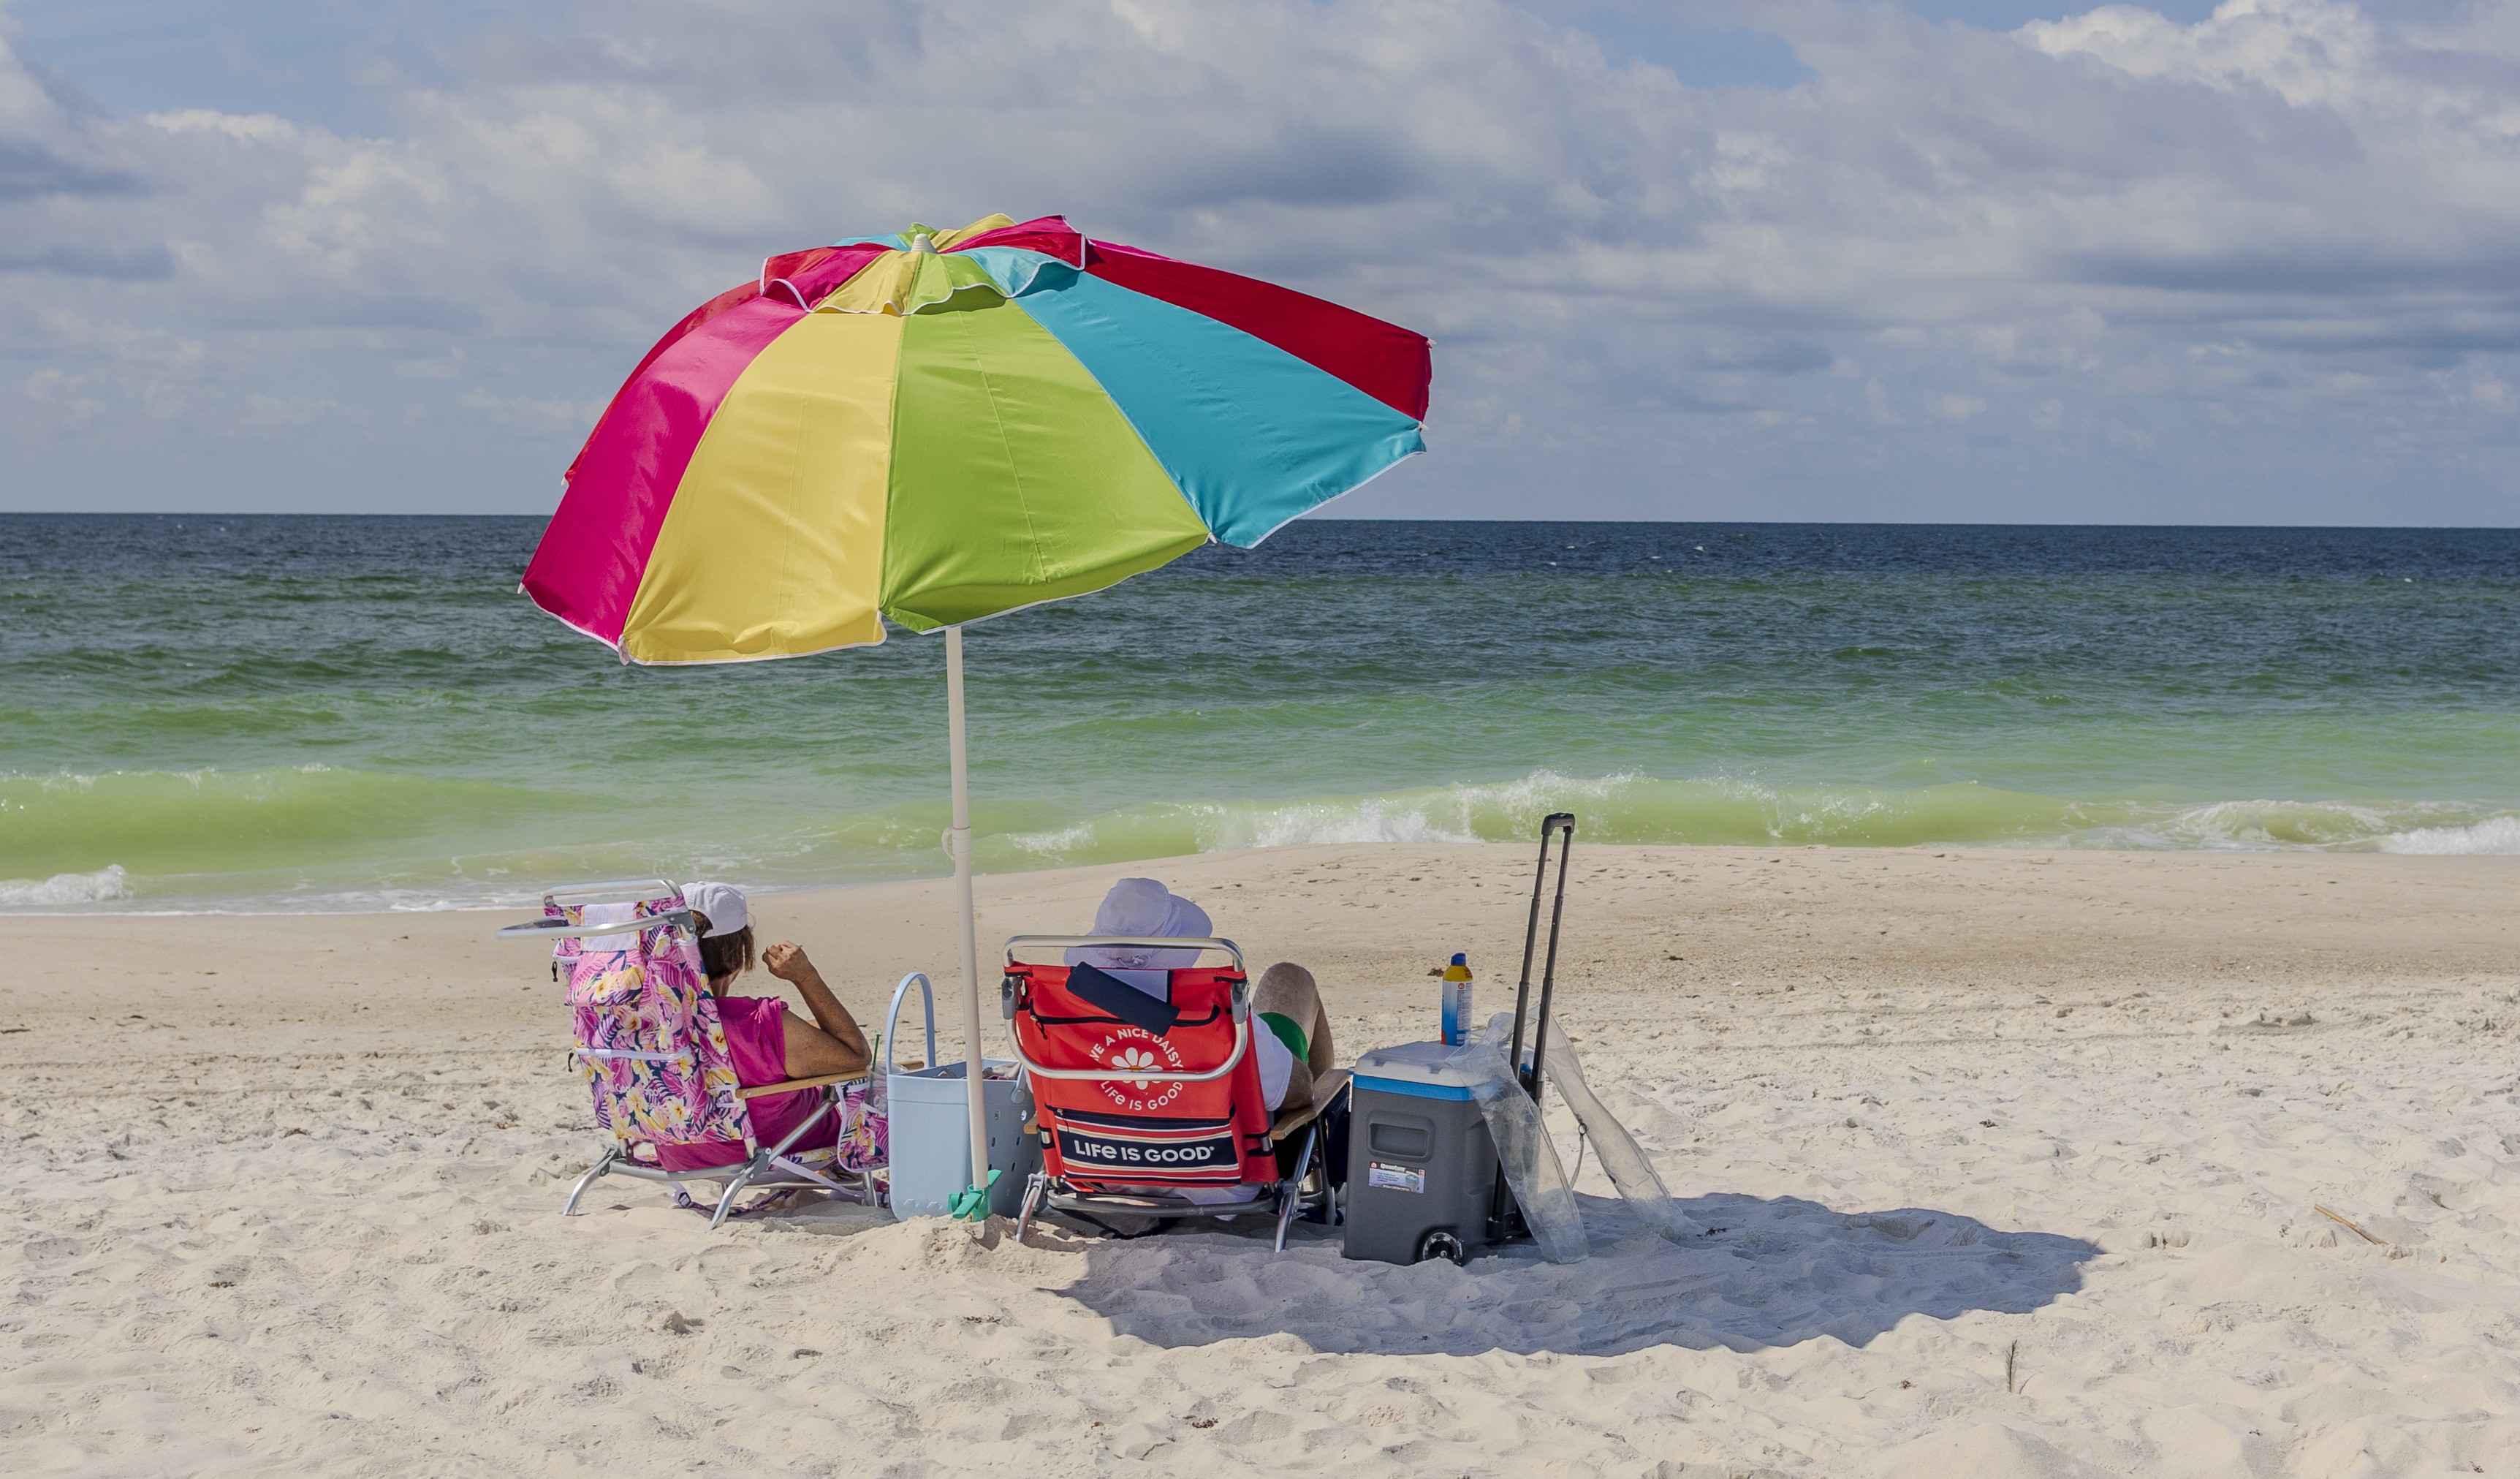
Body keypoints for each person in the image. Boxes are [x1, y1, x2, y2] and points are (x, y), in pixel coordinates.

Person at [653, 881, 873, 1172]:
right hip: (773, 1149)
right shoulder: (756, 1022)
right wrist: (806, 978)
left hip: (680, 1154)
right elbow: (857, 1056)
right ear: (738, 956)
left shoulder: (647, 1020)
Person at [1067, 877, 1335, 1112]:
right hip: (1217, 1160)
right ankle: (1321, 1134)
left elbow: (1039, 1090)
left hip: (1099, 1154)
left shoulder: (1057, 1010)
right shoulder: (1214, 1008)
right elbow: (1298, 1092)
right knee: (1289, 978)